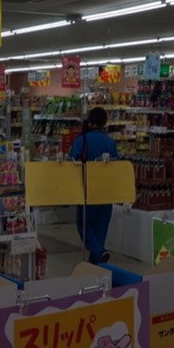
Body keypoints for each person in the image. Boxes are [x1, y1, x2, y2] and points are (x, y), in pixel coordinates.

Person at [69, 107, 119, 264]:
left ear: (90, 121)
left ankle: (98, 251)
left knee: (83, 225)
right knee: (101, 226)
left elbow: (72, 160)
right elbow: (116, 164)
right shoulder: (110, 141)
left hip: (87, 188)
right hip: (107, 189)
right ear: (105, 122)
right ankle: (97, 260)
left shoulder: (82, 140)